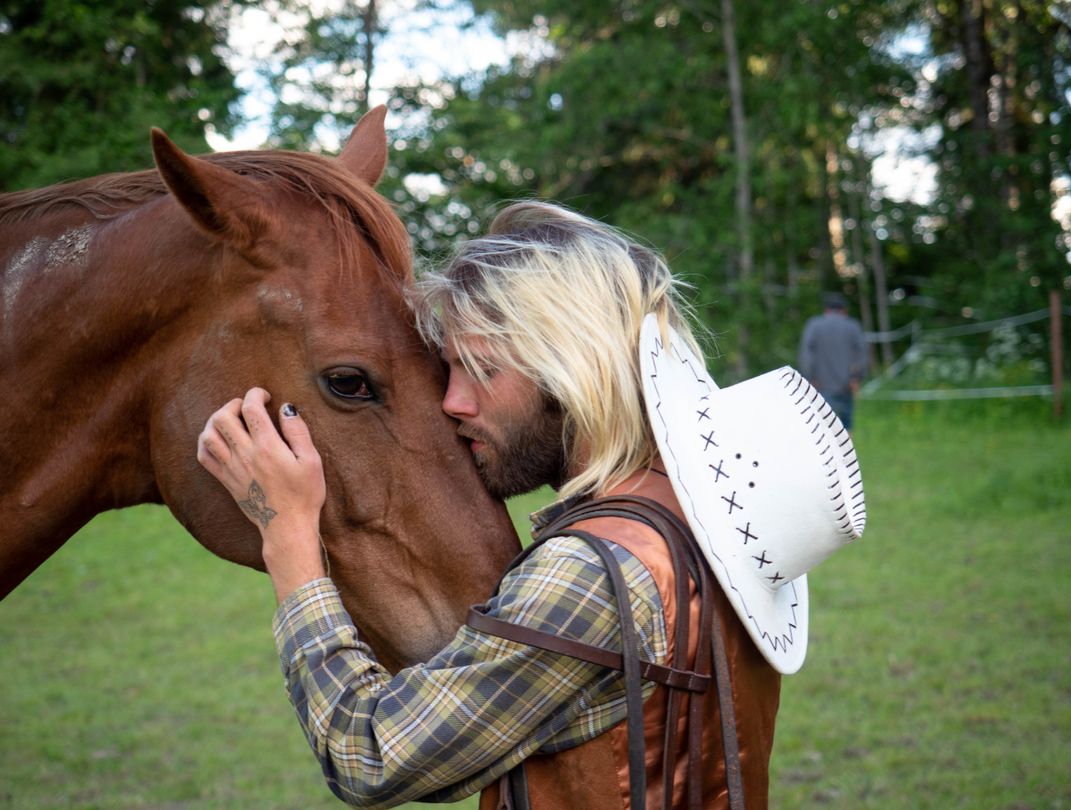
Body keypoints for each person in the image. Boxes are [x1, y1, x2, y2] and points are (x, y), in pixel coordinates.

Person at [196, 201, 781, 809]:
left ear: (571, 367)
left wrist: (288, 536)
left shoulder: (593, 573)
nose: (452, 402)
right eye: (449, 370)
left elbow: (368, 754)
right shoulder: (706, 511)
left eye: (479, 368)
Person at [798, 292, 869, 429]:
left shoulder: (814, 325)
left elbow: (806, 353)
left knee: (821, 427)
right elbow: (862, 354)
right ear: (844, 311)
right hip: (846, 386)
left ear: (826, 310)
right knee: (845, 428)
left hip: (820, 386)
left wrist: (809, 377)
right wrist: (856, 378)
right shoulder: (852, 327)